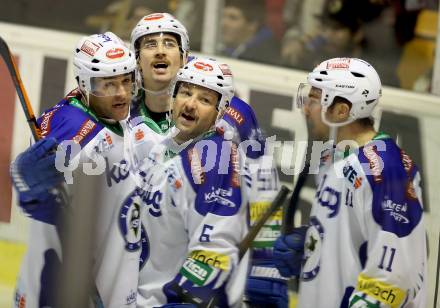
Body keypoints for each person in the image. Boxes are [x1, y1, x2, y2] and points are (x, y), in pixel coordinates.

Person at [129, 12, 288, 307]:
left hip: (197, 278)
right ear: (136, 58)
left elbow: (263, 182)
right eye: (150, 44)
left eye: (170, 43)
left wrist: (267, 267)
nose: (161, 50)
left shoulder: (233, 115)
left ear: (184, 53)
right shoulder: (121, 110)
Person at [273, 57, 427, 307]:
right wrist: (315, 249)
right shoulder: (333, 156)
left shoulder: (387, 170)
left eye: (314, 99)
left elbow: (393, 278)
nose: (305, 109)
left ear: (342, 111)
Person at [10, 32, 140, 308]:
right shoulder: (74, 132)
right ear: (85, 84)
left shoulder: (104, 114)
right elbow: (42, 204)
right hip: (58, 292)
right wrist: (31, 190)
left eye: (126, 81)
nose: (121, 93)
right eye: (108, 84)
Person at [132, 57, 249, 307]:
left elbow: (216, 243)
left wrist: (192, 299)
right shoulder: (163, 146)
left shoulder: (216, 160)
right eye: (185, 92)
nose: (191, 104)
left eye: (205, 100)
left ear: (221, 111)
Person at [219, 0, 281, 66]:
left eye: (233, 18)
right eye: (222, 16)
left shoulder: (264, 58)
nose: (223, 24)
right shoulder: (227, 49)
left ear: (252, 24)